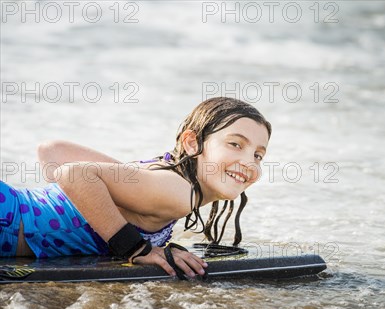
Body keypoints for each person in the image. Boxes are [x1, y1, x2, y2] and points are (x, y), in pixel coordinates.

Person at [0, 97, 272, 279]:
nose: (248, 162)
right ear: (192, 144)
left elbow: (52, 151)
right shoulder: (178, 192)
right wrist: (136, 249)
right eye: (235, 144)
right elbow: (73, 174)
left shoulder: (161, 178)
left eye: (258, 155)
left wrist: (102, 203)